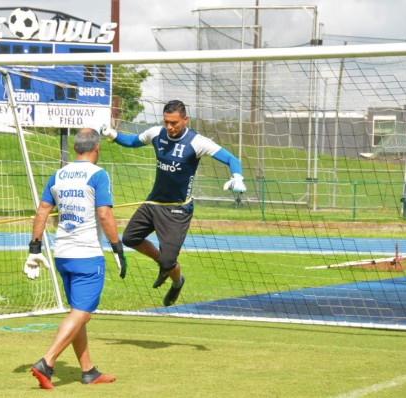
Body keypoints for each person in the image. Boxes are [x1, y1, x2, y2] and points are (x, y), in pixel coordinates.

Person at [100, 99, 246, 307]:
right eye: (167, 122)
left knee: (169, 263)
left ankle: (177, 282)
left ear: (185, 120)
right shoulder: (156, 134)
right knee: (130, 238)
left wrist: (237, 177)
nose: (170, 127)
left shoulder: (197, 142)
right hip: (153, 204)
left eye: (174, 123)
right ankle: (165, 265)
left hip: (178, 210)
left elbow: (231, 158)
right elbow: (133, 141)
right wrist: (112, 135)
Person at [23, 128, 127, 390]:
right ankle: (47, 362)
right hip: (87, 254)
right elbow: (104, 214)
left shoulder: (58, 174)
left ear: (75, 149)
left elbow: (43, 210)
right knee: (82, 313)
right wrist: (117, 247)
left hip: (63, 254)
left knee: (78, 314)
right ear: (97, 149)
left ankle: (88, 371)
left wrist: (35, 248)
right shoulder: (98, 175)